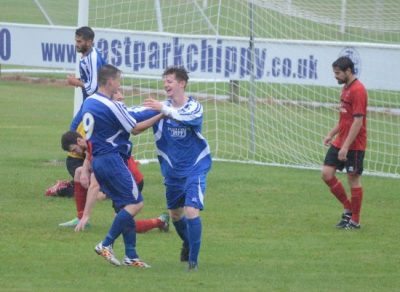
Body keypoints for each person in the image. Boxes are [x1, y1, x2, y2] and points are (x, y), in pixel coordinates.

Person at [81, 64, 162, 268]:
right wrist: (162, 114)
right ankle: (105, 243)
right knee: (136, 203)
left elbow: (127, 116)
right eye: (118, 80)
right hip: (112, 159)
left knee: (122, 209)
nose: (119, 84)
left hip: (98, 160)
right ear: (110, 82)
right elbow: (135, 128)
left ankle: (131, 256)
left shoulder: (90, 101)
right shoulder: (112, 106)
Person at [143, 66, 212, 271]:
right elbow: (137, 116)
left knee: (192, 210)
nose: (166, 85)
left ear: (182, 83)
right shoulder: (160, 106)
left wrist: (162, 109)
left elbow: (185, 117)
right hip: (172, 170)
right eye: (165, 81)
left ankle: (193, 263)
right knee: (175, 215)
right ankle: (188, 241)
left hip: (195, 167)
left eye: (170, 81)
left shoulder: (194, 107)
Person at [60, 130, 170, 233]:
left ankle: (160, 221)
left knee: (123, 226)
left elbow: (94, 186)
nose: (76, 153)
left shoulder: (99, 151)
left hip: (130, 182)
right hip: (116, 179)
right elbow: (88, 154)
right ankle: (80, 218)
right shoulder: (93, 140)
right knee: (79, 171)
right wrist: (84, 170)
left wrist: (87, 215)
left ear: (79, 141)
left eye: (74, 149)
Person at [45, 27, 107, 201]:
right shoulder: (87, 57)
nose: (77, 44)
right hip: (90, 103)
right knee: (73, 136)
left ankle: (84, 179)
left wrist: (75, 82)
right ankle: (85, 177)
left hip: (95, 104)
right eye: (76, 40)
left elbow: (94, 87)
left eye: (80, 41)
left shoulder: (93, 58)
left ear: (89, 41)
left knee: (76, 136)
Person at [321, 56, 368, 230]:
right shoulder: (346, 89)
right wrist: (331, 134)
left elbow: (357, 122)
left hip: (354, 144)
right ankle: (348, 208)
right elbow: (344, 119)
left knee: (353, 178)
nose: (336, 76)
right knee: (326, 173)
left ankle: (355, 220)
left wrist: (346, 146)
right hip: (341, 140)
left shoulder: (358, 90)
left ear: (348, 71)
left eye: (338, 73)